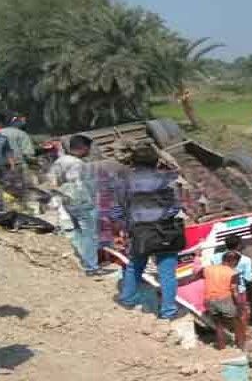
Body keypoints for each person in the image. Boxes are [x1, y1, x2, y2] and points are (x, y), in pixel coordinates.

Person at [113, 144, 182, 318]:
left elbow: (117, 209)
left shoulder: (124, 182)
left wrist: (124, 227)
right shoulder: (167, 180)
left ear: (133, 163)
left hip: (139, 230)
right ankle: (168, 310)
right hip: (166, 230)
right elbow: (175, 207)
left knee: (135, 265)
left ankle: (127, 299)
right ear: (156, 162)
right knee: (167, 273)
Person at [49, 135, 101, 276]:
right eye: (89, 148)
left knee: (78, 231)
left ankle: (83, 258)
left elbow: (53, 181)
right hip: (81, 202)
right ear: (83, 148)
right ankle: (92, 267)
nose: (89, 151)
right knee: (89, 234)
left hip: (67, 201)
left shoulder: (60, 161)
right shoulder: (78, 164)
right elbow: (79, 185)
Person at [200, 251, 247, 350]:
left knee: (218, 325)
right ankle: (241, 346)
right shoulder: (233, 273)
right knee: (237, 323)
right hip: (225, 299)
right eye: (237, 262)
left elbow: (194, 277)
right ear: (234, 261)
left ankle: (222, 347)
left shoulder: (208, 269)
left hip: (209, 300)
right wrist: (239, 306)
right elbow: (234, 291)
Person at [210, 235, 252, 325]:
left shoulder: (214, 257)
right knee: (242, 310)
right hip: (239, 290)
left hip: (221, 290)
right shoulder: (246, 260)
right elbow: (248, 278)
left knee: (227, 313)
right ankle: (243, 330)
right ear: (239, 245)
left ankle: (233, 329)